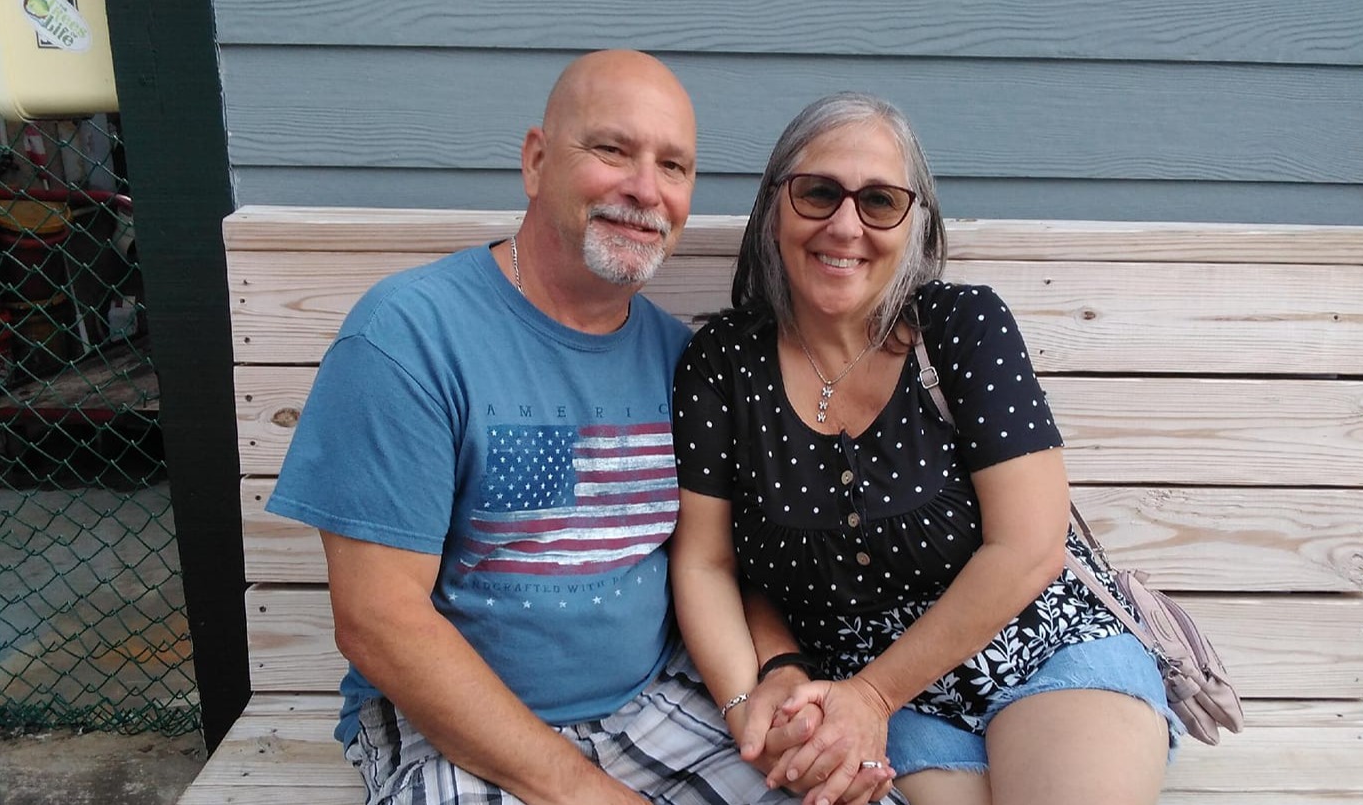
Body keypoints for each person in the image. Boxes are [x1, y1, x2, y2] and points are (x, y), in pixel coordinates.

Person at [266, 51, 895, 805]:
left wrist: (779, 675)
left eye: (673, 166)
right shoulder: (409, 336)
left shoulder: (685, 362)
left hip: (657, 700)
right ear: (536, 162)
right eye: (612, 150)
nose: (645, 189)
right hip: (449, 725)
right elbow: (379, 620)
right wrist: (586, 792)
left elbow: (725, 560)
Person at [669, 92, 1184, 805]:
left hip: (1041, 651)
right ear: (774, 207)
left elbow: (1029, 547)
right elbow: (709, 561)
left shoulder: (962, 326)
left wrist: (873, 695)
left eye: (879, 201)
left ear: (915, 222)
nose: (844, 225)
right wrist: (749, 707)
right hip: (881, 710)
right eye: (818, 192)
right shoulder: (722, 363)